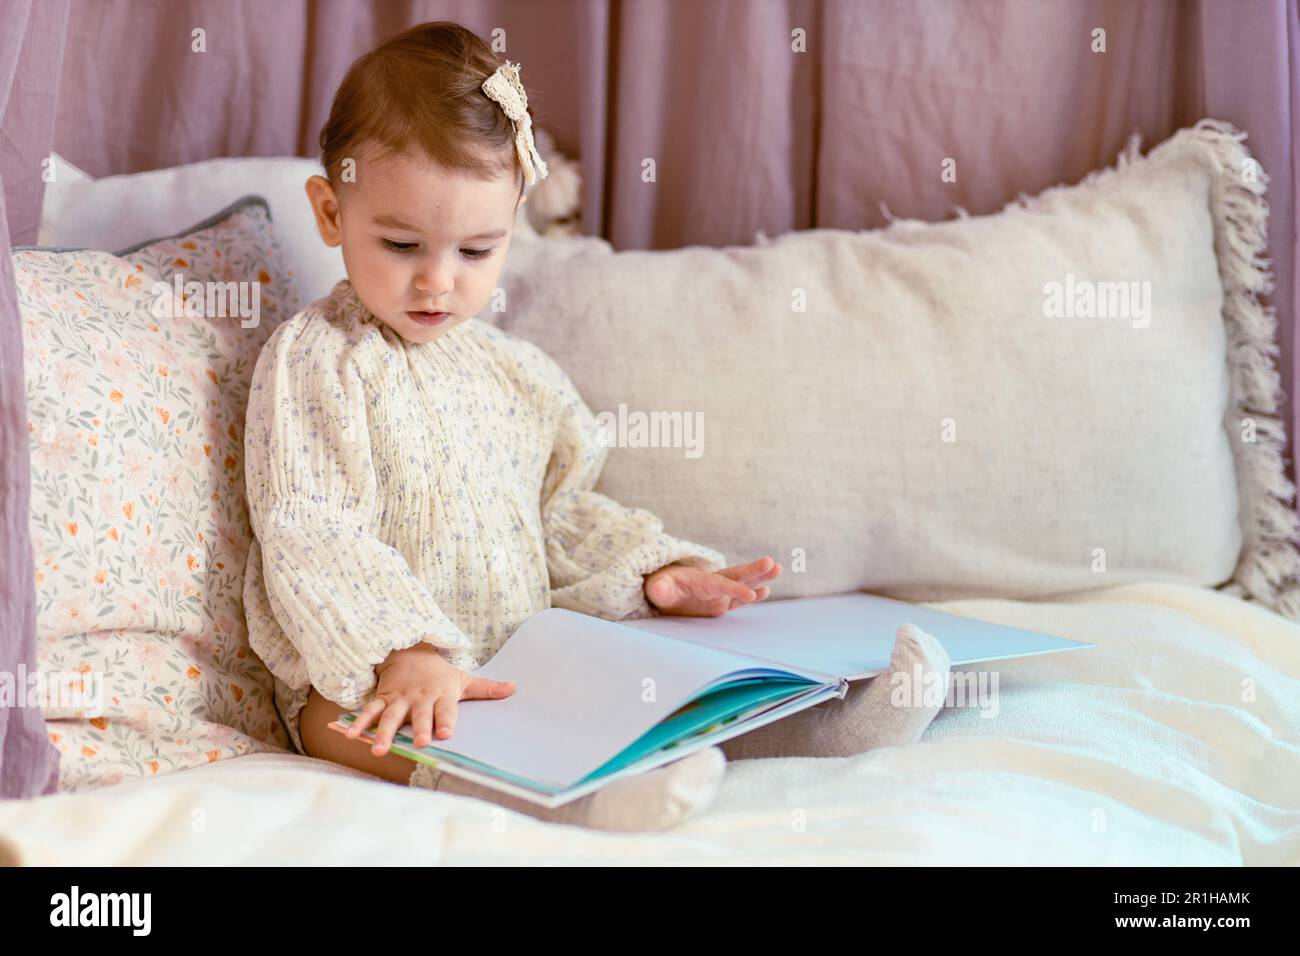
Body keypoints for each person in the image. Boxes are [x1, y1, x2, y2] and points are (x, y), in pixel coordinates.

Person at [242, 20, 950, 833]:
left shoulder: (514, 375)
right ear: (332, 212)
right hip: (365, 674)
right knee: (363, 723)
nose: (438, 280)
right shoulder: (318, 360)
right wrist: (407, 649)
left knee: (647, 675)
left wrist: (649, 570)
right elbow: (310, 528)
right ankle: (579, 795)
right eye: (401, 244)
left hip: (520, 657)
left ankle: (823, 729)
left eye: (477, 250)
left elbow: (559, 511)